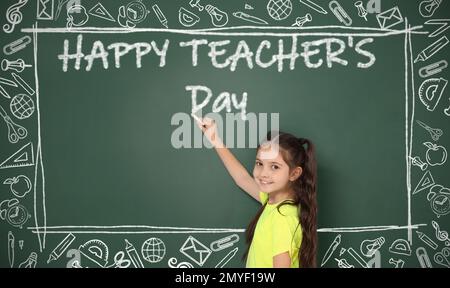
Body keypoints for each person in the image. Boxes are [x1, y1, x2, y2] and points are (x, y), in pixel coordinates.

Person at [195, 117, 318, 268]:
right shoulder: (273, 202)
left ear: (294, 174)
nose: (263, 173)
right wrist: (215, 139)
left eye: (274, 167)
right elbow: (242, 179)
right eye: (260, 163)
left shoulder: (282, 218)